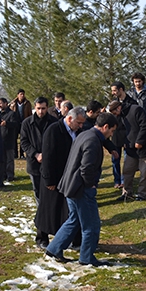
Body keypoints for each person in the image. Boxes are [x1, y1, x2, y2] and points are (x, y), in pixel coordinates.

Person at [45, 113, 118, 266]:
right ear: (105, 127)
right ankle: (86, 257)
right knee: (91, 224)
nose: (111, 135)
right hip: (81, 189)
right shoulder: (93, 141)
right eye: (111, 131)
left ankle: (54, 248)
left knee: (74, 219)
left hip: (71, 186)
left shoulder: (85, 134)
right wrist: (90, 184)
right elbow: (86, 168)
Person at [36, 107, 87, 247]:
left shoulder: (79, 132)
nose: (81, 126)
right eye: (79, 123)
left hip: (69, 177)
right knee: (47, 209)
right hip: (53, 177)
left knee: (69, 210)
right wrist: (48, 180)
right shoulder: (53, 130)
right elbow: (48, 157)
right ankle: (42, 238)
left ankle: (74, 239)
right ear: (70, 119)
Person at [20, 97, 58, 249]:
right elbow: (24, 142)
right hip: (35, 166)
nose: (41, 111)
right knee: (40, 201)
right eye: (38, 108)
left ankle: (55, 232)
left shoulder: (54, 122)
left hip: (51, 166)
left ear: (47, 108)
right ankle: (41, 237)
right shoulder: (27, 123)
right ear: (34, 108)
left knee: (51, 200)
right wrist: (35, 154)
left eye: (43, 108)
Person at [113, 100, 146, 201]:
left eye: (115, 112)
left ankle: (142, 194)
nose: (115, 115)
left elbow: (144, 125)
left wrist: (140, 141)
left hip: (144, 147)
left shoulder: (136, 109)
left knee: (144, 173)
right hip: (130, 148)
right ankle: (127, 192)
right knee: (127, 171)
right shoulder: (120, 116)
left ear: (118, 108)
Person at [0, 97, 19, 181]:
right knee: (2, 159)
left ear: (6, 104)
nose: (0, 105)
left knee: (9, 159)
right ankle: (3, 174)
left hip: (9, 139)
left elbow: (16, 124)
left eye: (1, 103)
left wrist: (7, 123)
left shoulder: (12, 114)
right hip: (0, 139)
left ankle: (10, 175)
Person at [9, 88, 33, 158]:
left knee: (23, 139)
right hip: (15, 123)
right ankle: (15, 154)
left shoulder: (27, 103)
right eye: (20, 94)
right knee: (14, 139)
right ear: (18, 95)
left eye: (23, 94)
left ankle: (22, 154)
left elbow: (30, 113)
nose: (22, 96)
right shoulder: (13, 103)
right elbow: (10, 113)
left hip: (23, 123)